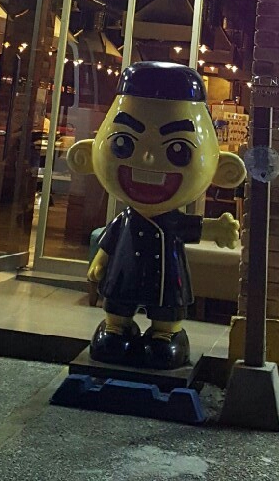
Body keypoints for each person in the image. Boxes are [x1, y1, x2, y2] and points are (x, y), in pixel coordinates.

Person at [67, 61, 246, 370]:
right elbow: (110, 240)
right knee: (118, 304)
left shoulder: (170, 221)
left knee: (167, 309)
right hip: (124, 276)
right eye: (123, 143)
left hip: (167, 279)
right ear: (89, 152)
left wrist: (217, 230)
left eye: (178, 150)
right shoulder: (126, 220)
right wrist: (100, 260)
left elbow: (192, 228)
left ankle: (167, 334)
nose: (148, 158)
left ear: (222, 167)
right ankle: (115, 327)